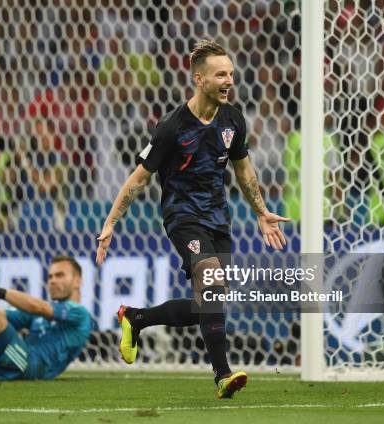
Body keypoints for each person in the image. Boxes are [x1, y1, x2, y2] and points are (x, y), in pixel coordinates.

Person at [96, 40, 290, 399]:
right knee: (212, 278)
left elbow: (245, 172)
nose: (229, 80)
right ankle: (223, 374)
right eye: (221, 74)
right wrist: (110, 223)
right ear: (199, 79)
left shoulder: (233, 119)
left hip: (219, 218)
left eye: (231, 73)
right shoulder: (172, 126)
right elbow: (139, 179)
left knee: (207, 303)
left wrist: (262, 213)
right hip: (182, 215)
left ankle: (137, 318)